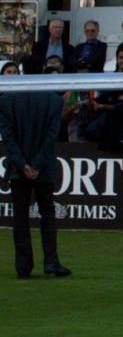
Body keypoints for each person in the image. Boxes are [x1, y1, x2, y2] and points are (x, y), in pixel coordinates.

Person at [0, 77, 71, 279]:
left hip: (18, 168)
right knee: (47, 214)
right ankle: (51, 261)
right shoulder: (53, 101)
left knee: (20, 216)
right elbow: (51, 136)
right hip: (44, 167)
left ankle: (23, 267)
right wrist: (37, 164)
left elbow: (8, 138)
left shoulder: (6, 100)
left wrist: (22, 164)